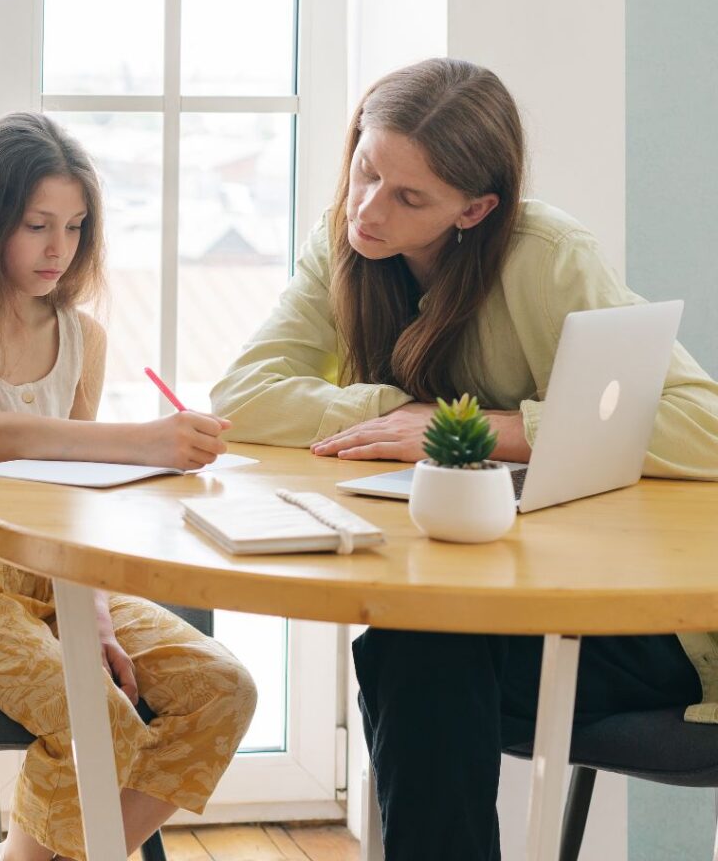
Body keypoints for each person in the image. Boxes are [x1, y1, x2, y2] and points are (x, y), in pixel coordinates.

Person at [210, 58, 718, 860]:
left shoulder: (545, 256)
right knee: (414, 642)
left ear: (475, 210)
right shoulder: (341, 243)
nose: (369, 206)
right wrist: (398, 413)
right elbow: (243, 395)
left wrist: (485, 429)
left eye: (408, 196)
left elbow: (706, 423)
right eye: (366, 168)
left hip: (633, 626)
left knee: (414, 653)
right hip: (479, 614)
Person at [0, 112, 257, 861]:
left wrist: (99, 611)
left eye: (75, 227)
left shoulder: (82, 338)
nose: (59, 249)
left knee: (223, 688)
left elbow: (74, 497)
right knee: (95, 712)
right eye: (37, 224)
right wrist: (139, 443)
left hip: (60, 573)